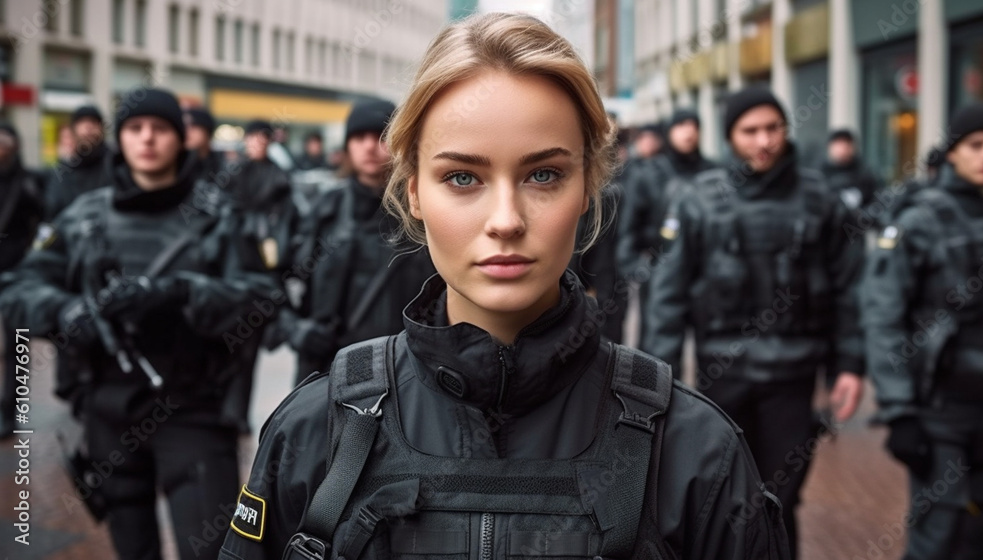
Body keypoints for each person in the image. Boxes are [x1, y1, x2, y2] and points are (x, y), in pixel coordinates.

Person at [220, 13, 789, 560]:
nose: (506, 219)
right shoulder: (314, 434)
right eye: (462, 177)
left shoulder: (695, 452)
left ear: (588, 186)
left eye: (543, 174)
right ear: (414, 190)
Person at [0, 88, 274, 560]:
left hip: (193, 410)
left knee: (209, 549)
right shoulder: (84, 217)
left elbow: (262, 299)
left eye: (160, 128)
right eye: (134, 128)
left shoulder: (219, 217)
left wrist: (179, 293)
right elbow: (18, 289)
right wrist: (67, 312)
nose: (147, 138)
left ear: (180, 138)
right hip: (108, 411)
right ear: (120, 138)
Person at [641, 87, 865, 558]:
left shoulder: (820, 198)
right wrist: (653, 385)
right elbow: (668, 296)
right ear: (730, 136)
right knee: (722, 499)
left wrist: (849, 364)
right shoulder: (698, 199)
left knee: (782, 500)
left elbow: (848, 288)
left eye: (773, 128)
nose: (763, 141)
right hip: (723, 377)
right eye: (750, 131)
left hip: (793, 377)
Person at [862, 102, 983, 560]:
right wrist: (900, 411)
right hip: (941, 407)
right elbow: (883, 315)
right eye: (976, 145)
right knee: (939, 531)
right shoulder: (920, 220)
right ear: (953, 153)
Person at [272, 100, 435, 385]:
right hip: (327, 372)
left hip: (404, 377)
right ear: (347, 146)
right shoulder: (324, 210)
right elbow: (273, 282)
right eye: (360, 137)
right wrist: (296, 329)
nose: (370, 146)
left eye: (381, 136)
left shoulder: (423, 212)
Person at [225, 118, 300, 431]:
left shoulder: (279, 178)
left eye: (261, 138)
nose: (256, 143)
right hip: (232, 271)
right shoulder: (234, 175)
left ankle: (237, 413)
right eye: (251, 137)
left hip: (261, 272)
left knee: (248, 349)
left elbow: (288, 227)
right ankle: (227, 409)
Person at [617, 110, 717, 280]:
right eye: (681, 125)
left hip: (706, 272)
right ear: (669, 131)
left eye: (694, 126)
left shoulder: (713, 172)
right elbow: (630, 226)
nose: (688, 132)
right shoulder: (650, 173)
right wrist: (637, 268)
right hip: (660, 268)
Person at [0, 124, 45, 440]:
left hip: (18, 272)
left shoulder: (29, 181)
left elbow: (45, 225)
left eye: (5, 140)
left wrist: (32, 259)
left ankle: (11, 411)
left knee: (17, 344)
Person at [45, 104, 113, 221]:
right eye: (82, 123)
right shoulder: (62, 171)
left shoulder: (115, 163)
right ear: (73, 130)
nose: (88, 128)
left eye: (94, 122)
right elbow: (52, 212)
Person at [820, 128, 881, 212]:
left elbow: (876, 200)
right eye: (839, 145)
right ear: (830, 147)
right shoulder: (819, 173)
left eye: (846, 145)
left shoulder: (865, 173)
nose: (842, 150)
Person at [184, 107, 225, 180]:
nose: (187, 132)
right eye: (184, 126)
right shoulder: (177, 163)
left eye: (193, 126)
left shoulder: (223, 164)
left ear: (207, 131)